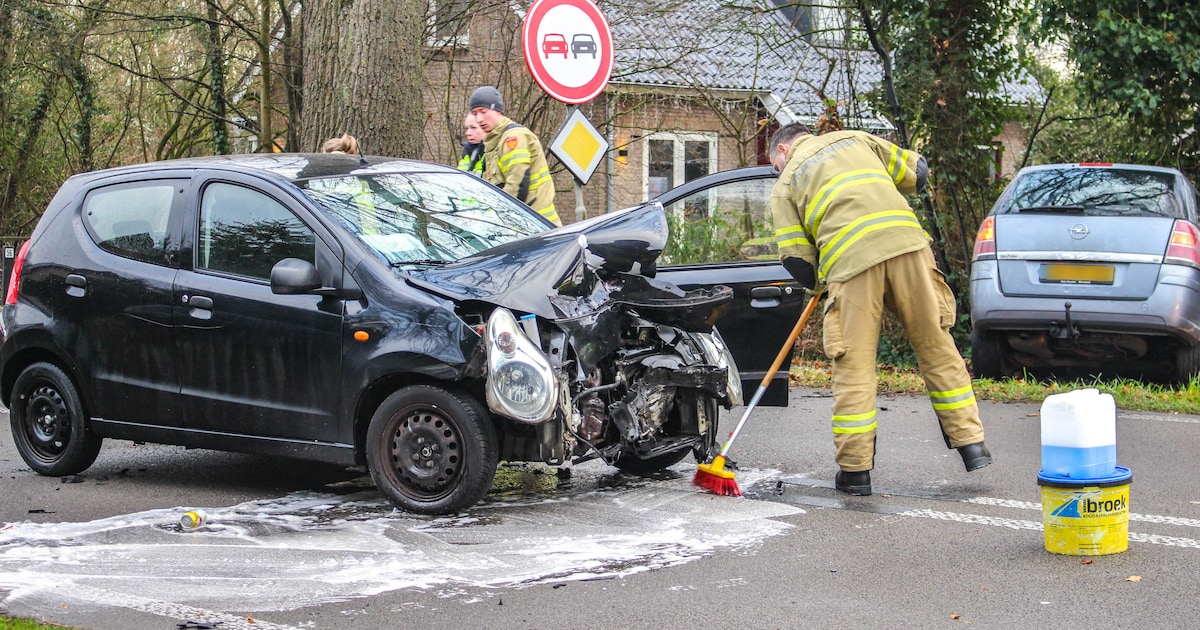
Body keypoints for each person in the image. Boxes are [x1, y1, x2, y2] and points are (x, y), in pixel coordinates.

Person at [767, 122, 990, 497]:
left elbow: (798, 264)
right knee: (937, 348)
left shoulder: (785, 183)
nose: (777, 170)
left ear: (784, 150)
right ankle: (972, 444)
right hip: (908, 247)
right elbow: (917, 174)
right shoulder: (855, 139)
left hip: (851, 265)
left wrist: (822, 281)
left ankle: (855, 474)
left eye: (775, 163)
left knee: (853, 368)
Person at [469, 86, 561, 226]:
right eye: (475, 113)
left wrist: (496, 219)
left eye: (483, 111)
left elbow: (517, 186)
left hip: (537, 227)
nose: (479, 118)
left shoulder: (513, 138)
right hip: (526, 225)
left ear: (498, 111)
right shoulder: (494, 142)